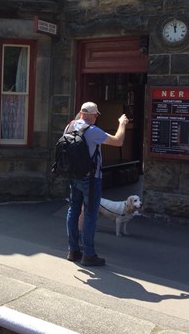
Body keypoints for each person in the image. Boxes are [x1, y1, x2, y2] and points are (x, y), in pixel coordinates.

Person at [65, 101, 129, 266]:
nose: (96, 118)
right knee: (90, 215)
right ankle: (89, 254)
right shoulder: (92, 130)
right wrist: (122, 124)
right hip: (91, 178)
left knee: (73, 211)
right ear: (92, 115)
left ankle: (73, 250)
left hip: (73, 176)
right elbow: (118, 141)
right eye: (96, 115)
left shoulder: (69, 126)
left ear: (80, 113)